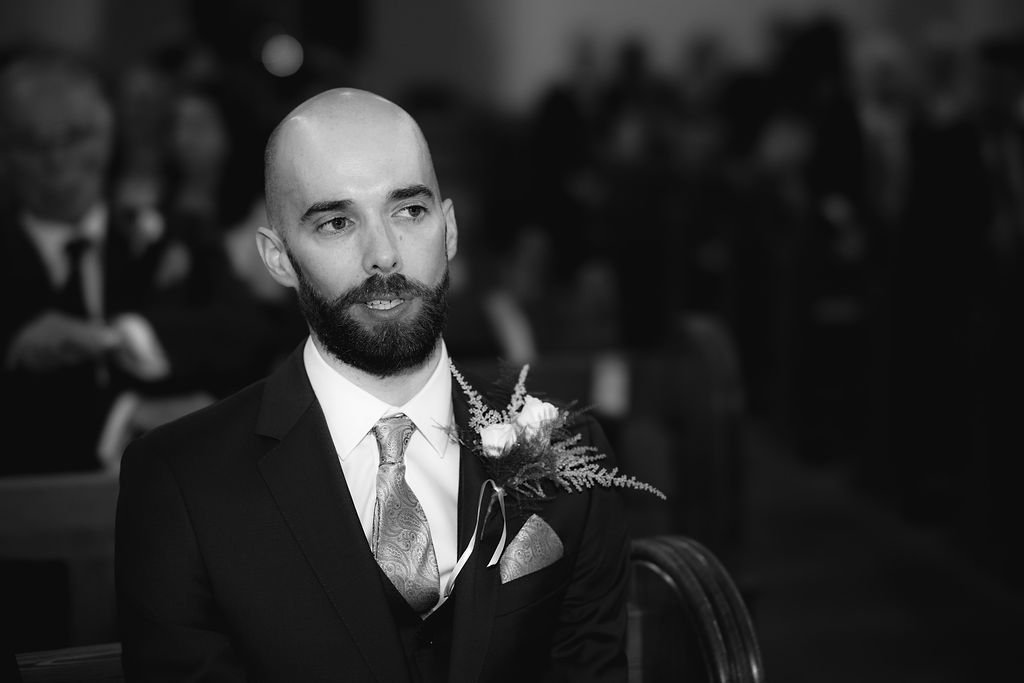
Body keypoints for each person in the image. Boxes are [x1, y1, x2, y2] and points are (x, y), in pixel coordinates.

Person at [115, 88, 632, 682]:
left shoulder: (568, 455)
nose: (383, 255)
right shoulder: (182, 484)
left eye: (409, 211)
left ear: (451, 229)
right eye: (336, 222)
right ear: (279, 258)